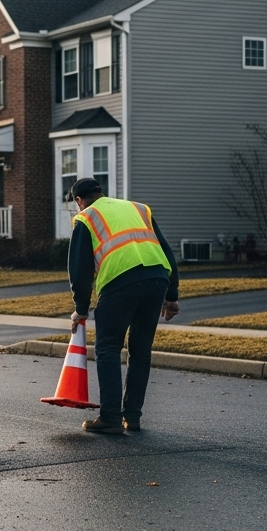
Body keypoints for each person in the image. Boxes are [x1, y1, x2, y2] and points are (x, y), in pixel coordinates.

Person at [67, 177, 180, 434]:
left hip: (120, 283)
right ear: (101, 192)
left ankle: (110, 418)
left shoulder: (86, 217)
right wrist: (171, 295)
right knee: (140, 350)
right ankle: (133, 417)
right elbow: (165, 249)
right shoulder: (138, 208)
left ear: (79, 201)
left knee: (108, 347)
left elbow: (80, 269)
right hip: (156, 280)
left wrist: (80, 308)